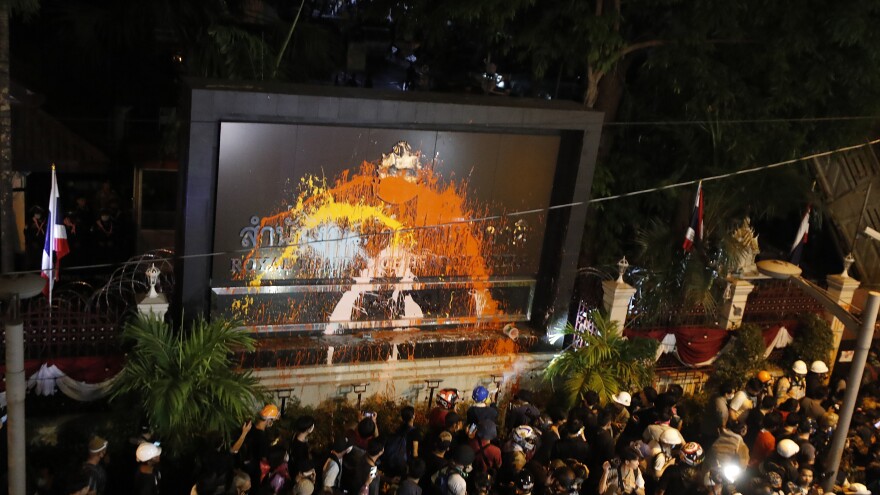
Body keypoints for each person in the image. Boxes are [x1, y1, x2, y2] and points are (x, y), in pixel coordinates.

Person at [245, 404, 280, 486]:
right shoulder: (262, 437)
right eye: (272, 420)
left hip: (247, 465)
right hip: (256, 469)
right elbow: (264, 458)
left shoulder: (251, 428)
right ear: (269, 420)